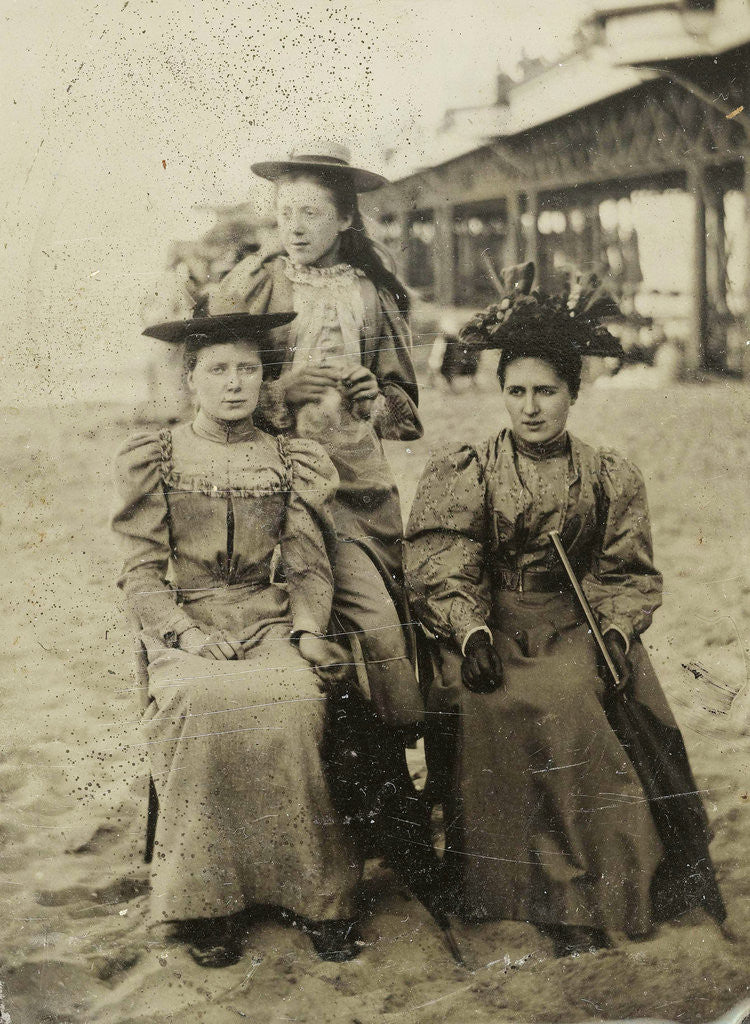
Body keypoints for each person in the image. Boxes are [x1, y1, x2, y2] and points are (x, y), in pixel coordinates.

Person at [403, 265, 725, 957]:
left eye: (546, 391)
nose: (530, 407)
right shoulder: (471, 468)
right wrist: (470, 628)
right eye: (516, 391)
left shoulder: (608, 474)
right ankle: (505, 891)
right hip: (493, 622)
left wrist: (613, 626)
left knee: (571, 700)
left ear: (572, 394)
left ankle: (589, 891)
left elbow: (624, 570)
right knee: (487, 701)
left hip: (575, 623)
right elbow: (442, 554)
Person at [112, 312, 363, 968]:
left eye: (247, 369)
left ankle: (309, 895)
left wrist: (308, 632)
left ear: (263, 378)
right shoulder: (159, 454)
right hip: (186, 623)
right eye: (217, 370)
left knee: (295, 702)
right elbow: (139, 573)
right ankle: (209, 904)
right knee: (200, 701)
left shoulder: (287, 455)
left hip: (269, 618)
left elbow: (307, 561)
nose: (234, 384)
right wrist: (188, 635)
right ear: (191, 379)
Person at [208, 142, 424, 734]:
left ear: (347, 218)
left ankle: (391, 764)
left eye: (312, 213)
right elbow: (207, 388)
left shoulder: (372, 294)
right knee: (296, 640)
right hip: (265, 487)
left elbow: (403, 414)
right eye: (286, 213)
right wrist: (282, 390)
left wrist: (371, 398)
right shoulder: (255, 286)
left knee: (380, 626)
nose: (296, 227)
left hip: (356, 493)